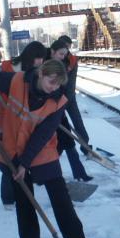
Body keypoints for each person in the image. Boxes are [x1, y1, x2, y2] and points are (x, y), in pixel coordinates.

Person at [0, 59, 93, 238]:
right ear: (41, 73)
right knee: (24, 198)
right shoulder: (16, 81)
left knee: (60, 195)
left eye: (58, 84)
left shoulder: (58, 100)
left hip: (41, 149)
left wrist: (25, 163)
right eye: (51, 82)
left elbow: (43, 134)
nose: (54, 88)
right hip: (12, 148)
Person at [0, 41, 47, 209]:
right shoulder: (8, 68)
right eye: (39, 58)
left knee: (22, 158)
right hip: (7, 120)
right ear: (31, 56)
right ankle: (7, 198)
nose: (41, 62)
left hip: (26, 122)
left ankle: (23, 193)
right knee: (7, 160)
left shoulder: (34, 72)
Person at [46, 39, 93, 182]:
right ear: (53, 51)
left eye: (66, 52)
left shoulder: (69, 61)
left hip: (63, 101)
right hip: (48, 108)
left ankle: (80, 171)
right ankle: (42, 174)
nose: (64, 56)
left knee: (67, 138)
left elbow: (69, 84)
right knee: (50, 142)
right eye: (61, 53)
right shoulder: (44, 63)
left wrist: (64, 101)